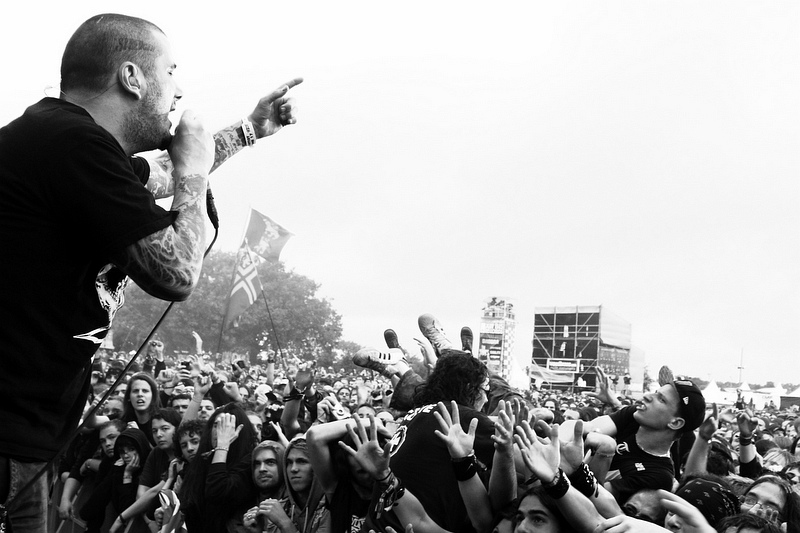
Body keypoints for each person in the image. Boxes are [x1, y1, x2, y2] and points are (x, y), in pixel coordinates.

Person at [0, 12, 300, 532]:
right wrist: (195, 172)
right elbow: (178, 273)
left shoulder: (64, 142)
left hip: (24, 439)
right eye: (171, 71)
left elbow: (157, 175)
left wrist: (250, 130)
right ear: (132, 77)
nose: (178, 90)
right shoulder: (74, 145)